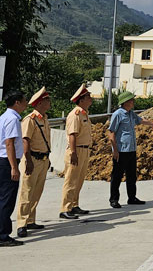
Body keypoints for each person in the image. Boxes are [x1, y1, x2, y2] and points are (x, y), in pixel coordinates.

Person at [0, 90, 28, 247]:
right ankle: (2, 236)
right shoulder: (12, 119)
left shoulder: (5, 116)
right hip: (6, 163)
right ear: (17, 102)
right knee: (6, 200)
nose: (26, 104)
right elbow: (9, 143)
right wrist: (14, 167)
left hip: (0, 161)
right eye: (24, 101)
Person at [108, 90, 153, 208]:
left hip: (131, 149)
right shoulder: (118, 114)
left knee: (131, 175)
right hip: (121, 151)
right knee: (117, 176)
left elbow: (141, 120)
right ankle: (114, 199)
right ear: (125, 102)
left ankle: (132, 197)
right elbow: (111, 133)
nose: (133, 102)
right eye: (131, 100)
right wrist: (115, 150)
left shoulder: (130, 114)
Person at [15, 87, 52, 237]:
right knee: (27, 191)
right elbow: (26, 141)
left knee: (37, 191)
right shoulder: (30, 119)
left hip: (43, 158)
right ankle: (21, 224)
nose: (49, 103)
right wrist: (28, 160)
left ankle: (30, 219)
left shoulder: (44, 118)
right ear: (39, 103)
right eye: (46, 100)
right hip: (33, 159)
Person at [59, 84, 93, 219]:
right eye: (88, 97)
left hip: (84, 150)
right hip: (76, 150)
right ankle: (65, 208)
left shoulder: (84, 114)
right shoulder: (75, 115)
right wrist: (73, 153)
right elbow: (72, 135)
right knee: (71, 180)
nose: (91, 99)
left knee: (78, 180)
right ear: (81, 99)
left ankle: (74, 204)